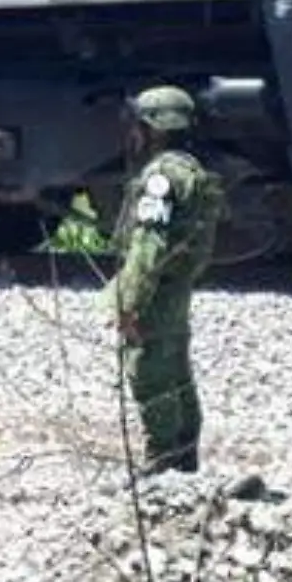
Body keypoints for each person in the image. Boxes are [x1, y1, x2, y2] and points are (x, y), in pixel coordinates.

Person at [108, 84, 225, 475]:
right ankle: (186, 456)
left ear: (152, 128)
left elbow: (147, 247)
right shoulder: (192, 170)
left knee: (149, 371)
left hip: (157, 290)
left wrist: (129, 304)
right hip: (178, 287)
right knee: (176, 368)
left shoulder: (161, 177)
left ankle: (161, 462)